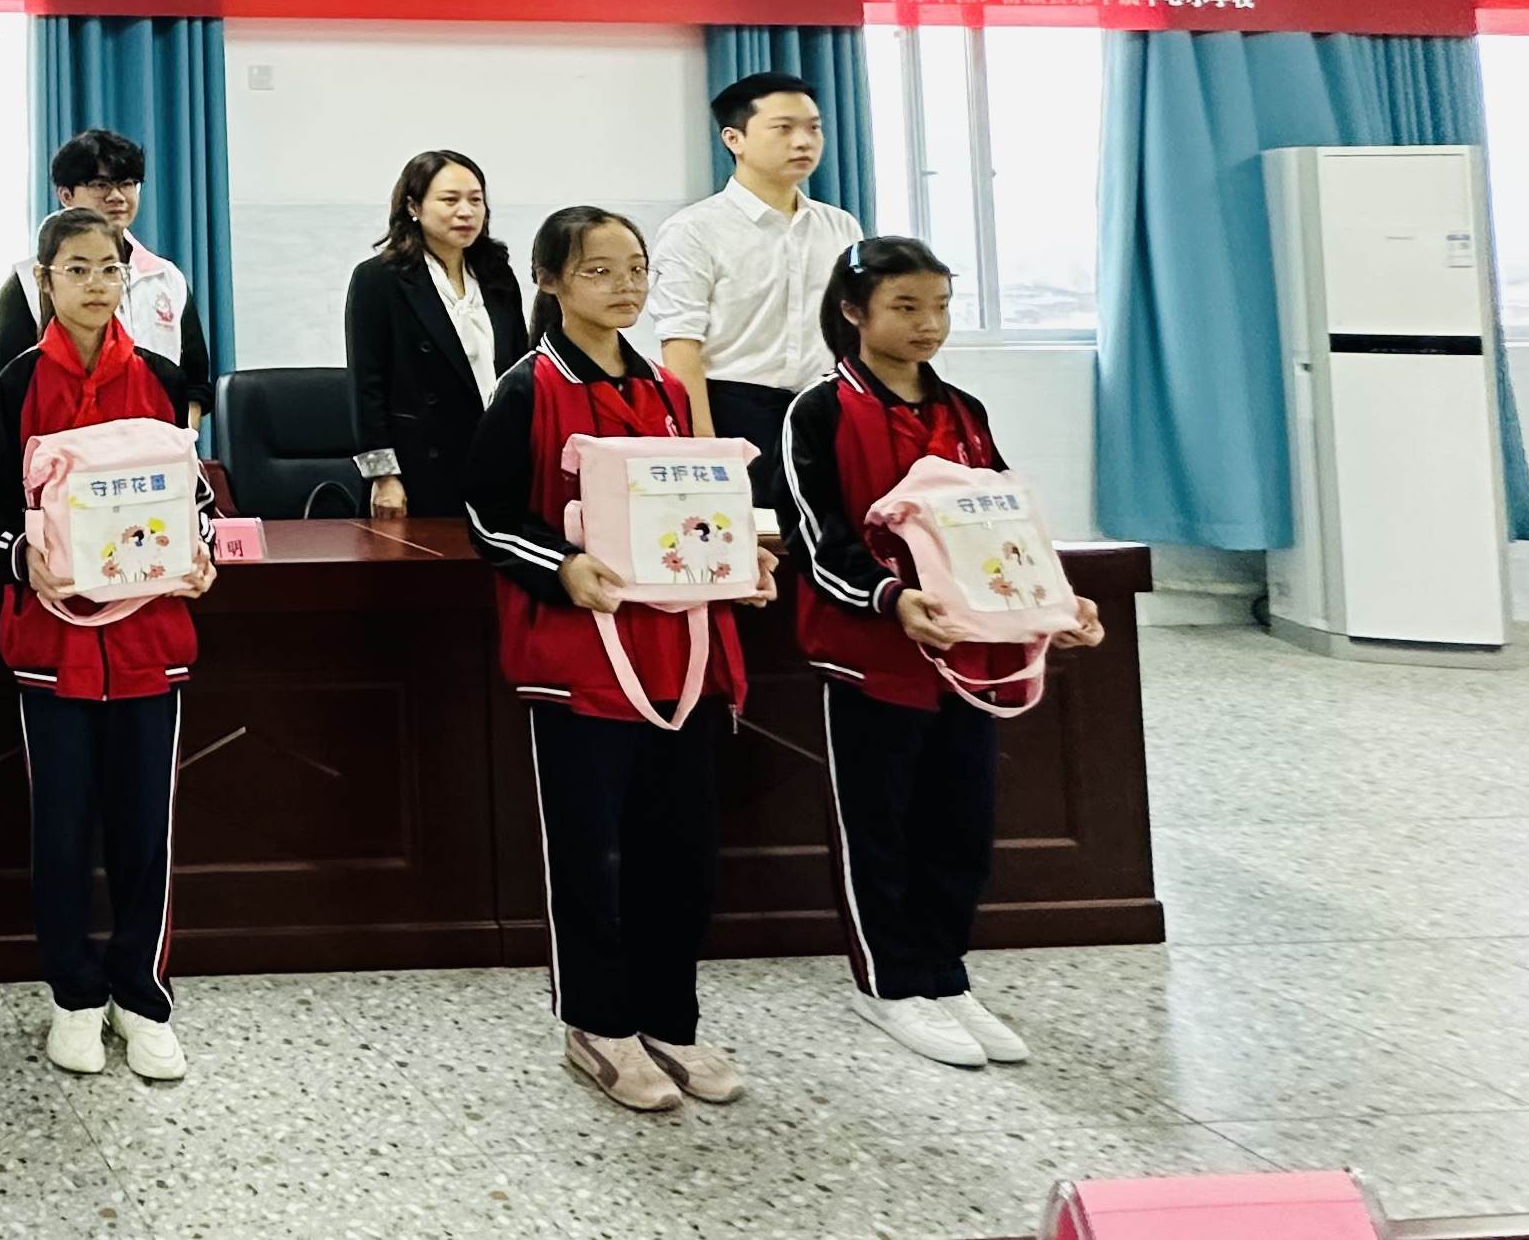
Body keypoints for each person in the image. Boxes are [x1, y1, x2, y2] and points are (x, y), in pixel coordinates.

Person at [466, 205, 780, 1115]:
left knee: (681, 852)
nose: (627, 285)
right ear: (553, 282)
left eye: (636, 267)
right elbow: (487, 516)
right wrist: (561, 567)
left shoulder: (672, 392)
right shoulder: (529, 387)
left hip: (681, 656)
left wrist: (742, 559)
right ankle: (597, 1025)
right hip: (580, 661)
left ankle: (669, 1019)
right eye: (600, 270)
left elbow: (702, 510)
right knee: (589, 853)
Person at [783, 236, 1107, 1073]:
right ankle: (890, 983)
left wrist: (1058, 599)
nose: (929, 325)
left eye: (939, 307)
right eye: (906, 307)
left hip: (970, 653)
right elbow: (818, 542)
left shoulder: (963, 411)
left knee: (960, 822)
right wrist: (890, 601)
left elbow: (1003, 521)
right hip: (871, 652)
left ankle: (946, 973)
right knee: (877, 824)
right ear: (854, 311)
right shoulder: (817, 411)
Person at [0, 205, 217, 1083]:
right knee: (63, 830)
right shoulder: (15, 383)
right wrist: (20, 555)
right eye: (76, 269)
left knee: (147, 832)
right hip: (54, 647)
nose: (95, 285)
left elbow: (196, 500)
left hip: (151, 640)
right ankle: (72, 996)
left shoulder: (161, 376)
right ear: (46, 281)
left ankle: (142, 997)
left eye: (108, 269)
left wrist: (202, 557)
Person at [648, 72, 862, 507]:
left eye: (813, 128)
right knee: (750, 552)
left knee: (825, 546)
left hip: (825, 410)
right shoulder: (694, 230)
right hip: (734, 410)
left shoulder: (840, 226)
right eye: (783, 128)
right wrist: (703, 447)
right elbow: (681, 344)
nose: (803, 142)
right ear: (734, 139)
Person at [342, 149, 528, 519]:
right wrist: (384, 476)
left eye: (476, 201)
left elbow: (519, 365)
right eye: (450, 200)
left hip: (496, 456)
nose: (466, 211)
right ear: (414, 206)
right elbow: (367, 386)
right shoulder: (379, 279)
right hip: (419, 465)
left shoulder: (496, 275)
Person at [0, 127, 214, 422]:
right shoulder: (29, 281)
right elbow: (8, 389)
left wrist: (179, 443)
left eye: (128, 183)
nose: (117, 196)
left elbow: (195, 384)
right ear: (66, 195)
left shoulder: (166, 278)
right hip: (61, 454)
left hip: (154, 456)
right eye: (99, 184)